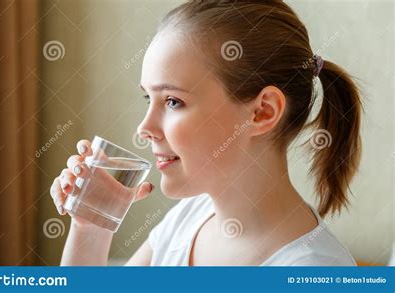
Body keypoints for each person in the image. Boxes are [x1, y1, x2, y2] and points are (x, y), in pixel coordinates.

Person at [50, 0, 362, 266]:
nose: (143, 129)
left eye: (173, 101)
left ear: (263, 111)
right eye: (150, 99)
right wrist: (92, 226)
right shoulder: (188, 220)